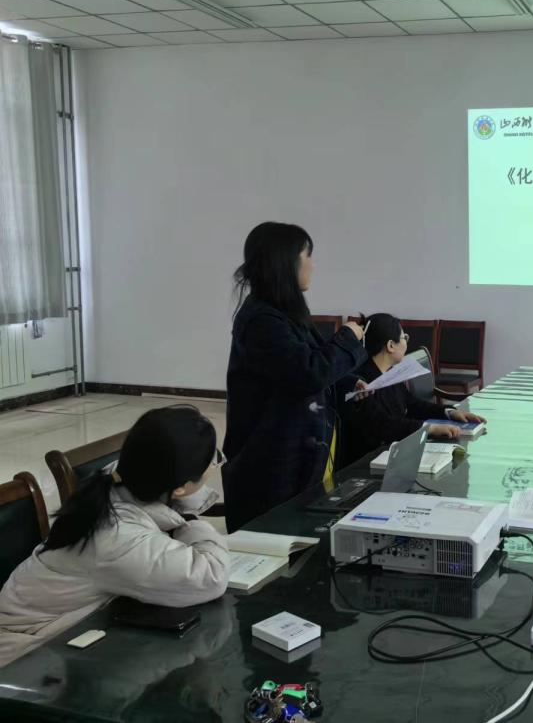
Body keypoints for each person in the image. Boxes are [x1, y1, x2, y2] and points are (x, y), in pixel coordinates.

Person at [0, 406, 229, 667]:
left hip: (67, 633)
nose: (214, 465)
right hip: (24, 658)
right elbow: (211, 576)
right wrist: (191, 523)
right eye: (213, 460)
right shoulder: (117, 537)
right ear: (179, 487)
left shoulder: (120, 477)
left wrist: (180, 505)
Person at [223, 222, 367, 531]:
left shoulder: (281, 312)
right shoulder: (262, 319)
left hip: (292, 458)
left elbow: (301, 362)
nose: (313, 265)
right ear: (286, 263)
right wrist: (348, 339)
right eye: (308, 255)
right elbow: (307, 373)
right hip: (270, 468)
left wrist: (348, 381)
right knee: (277, 541)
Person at [344, 313, 486, 463]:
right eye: (404, 337)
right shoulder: (361, 382)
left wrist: (450, 413)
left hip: (392, 452)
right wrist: (429, 428)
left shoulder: (389, 373)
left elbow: (413, 404)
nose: (406, 341)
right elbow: (382, 425)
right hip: (368, 461)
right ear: (391, 345)